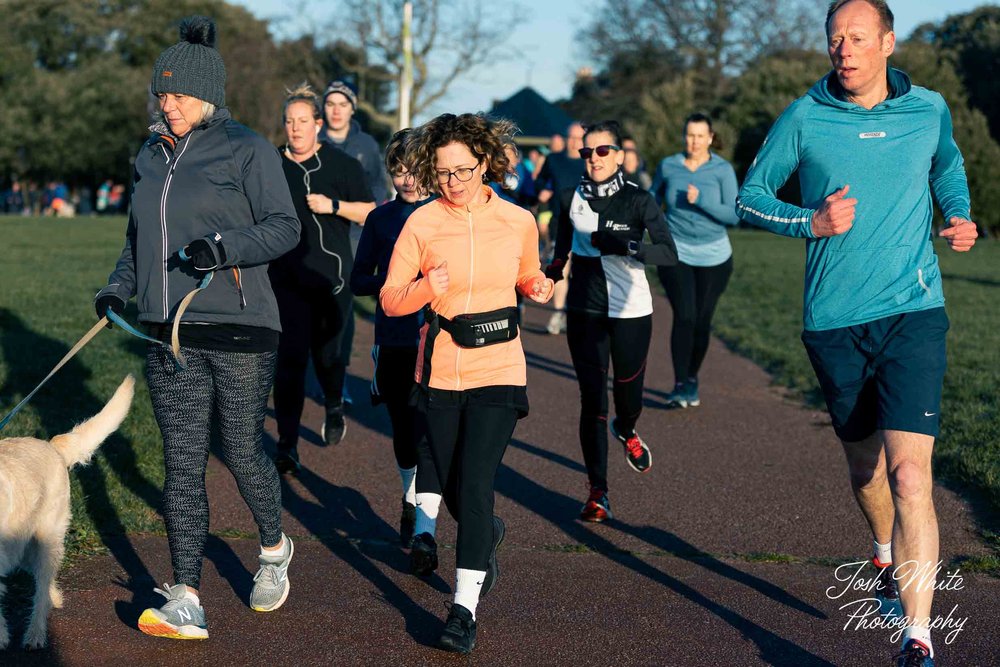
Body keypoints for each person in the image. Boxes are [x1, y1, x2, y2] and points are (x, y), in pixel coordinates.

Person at [735, 2, 978, 665]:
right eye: (835, 38)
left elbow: (947, 166)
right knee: (866, 468)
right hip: (835, 322)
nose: (843, 49)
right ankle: (880, 553)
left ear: (889, 43)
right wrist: (807, 222)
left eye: (857, 38)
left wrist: (957, 214)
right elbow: (750, 194)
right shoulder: (805, 116)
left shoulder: (927, 110)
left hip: (913, 311)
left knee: (909, 476)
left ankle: (919, 636)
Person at [93, 16, 300, 640]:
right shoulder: (149, 155)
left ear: (208, 94)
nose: (168, 103)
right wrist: (118, 288)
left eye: (179, 93)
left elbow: (284, 227)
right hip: (168, 332)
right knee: (182, 464)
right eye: (162, 93)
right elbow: (139, 240)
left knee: (239, 447)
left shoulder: (247, 147)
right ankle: (185, 594)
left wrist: (224, 248)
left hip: (238, 324)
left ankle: (271, 548)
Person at [380, 113, 554, 653]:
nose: (453, 182)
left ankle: (463, 609)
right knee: (454, 485)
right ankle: (486, 535)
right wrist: (426, 287)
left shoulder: (519, 220)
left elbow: (526, 273)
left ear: (485, 164)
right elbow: (389, 299)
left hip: (500, 366)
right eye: (443, 173)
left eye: (463, 171)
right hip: (442, 368)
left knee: (476, 488)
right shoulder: (422, 223)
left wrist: (537, 285)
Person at [547, 120, 677, 523]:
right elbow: (559, 252)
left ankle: (628, 428)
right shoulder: (569, 197)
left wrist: (628, 246)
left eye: (603, 151)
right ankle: (598, 492)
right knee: (592, 402)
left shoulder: (640, 201)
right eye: (587, 152)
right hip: (585, 311)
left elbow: (668, 253)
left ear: (619, 155)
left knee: (627, 395)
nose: (595, 159)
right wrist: (545, 277)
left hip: (631, 312)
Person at [269, 83, 375, 469]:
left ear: (317, 125)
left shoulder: (342, 164)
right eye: (289, 122)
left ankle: (333, 405)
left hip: (333, 280)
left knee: (329, 357)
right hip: (285, 281)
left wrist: (333, 205)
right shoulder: (271, 165)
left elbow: (369, 212)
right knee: (290, 361)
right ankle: (287, 444)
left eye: (303, 121)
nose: (295, 128)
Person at [349, 129, 443, 559]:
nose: (407, 179)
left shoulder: (443, 215)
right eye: (398, 171)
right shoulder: (380, 219)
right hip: (393, 339)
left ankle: (426, 529)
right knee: (405, 434)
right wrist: (393, 279)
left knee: (430, 434)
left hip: (439, 340)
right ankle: (410, 498)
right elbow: (357, 280)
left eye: (413, 170)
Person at [651, 113, 739, 408]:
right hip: (677, 252)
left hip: (715, 256)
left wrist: (701, 199)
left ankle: (691, 378)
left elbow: (734, 216)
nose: (694, 141)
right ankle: (678, 384)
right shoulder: (669, 165)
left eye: (700, 136)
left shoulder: (722, 170)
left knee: (702, 321)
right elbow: (651, 201)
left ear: (711, 138)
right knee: (685, 316)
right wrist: (656, 227)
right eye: (690, 135)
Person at [321, 79, 387, 408]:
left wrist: (371, 216)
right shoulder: (311, 139)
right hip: (315, 238)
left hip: (352, 239)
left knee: (342, 312)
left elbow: (378, 190)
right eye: (330, 103)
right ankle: (313, 369)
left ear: (352, 107)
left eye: (342, 104)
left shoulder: (367, 146)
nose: (336, 110)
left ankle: (338, 380)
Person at [536, 122, 586, 334]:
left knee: (583, 271)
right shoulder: (554, 159)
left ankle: (578, 314)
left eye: (578, 138)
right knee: (562, 269)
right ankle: (558, 314)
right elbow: (539, 181)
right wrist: (544, 192)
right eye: (571, 137)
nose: (574, 142)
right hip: (561, 221)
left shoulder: (590, 161)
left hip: (586, 223)